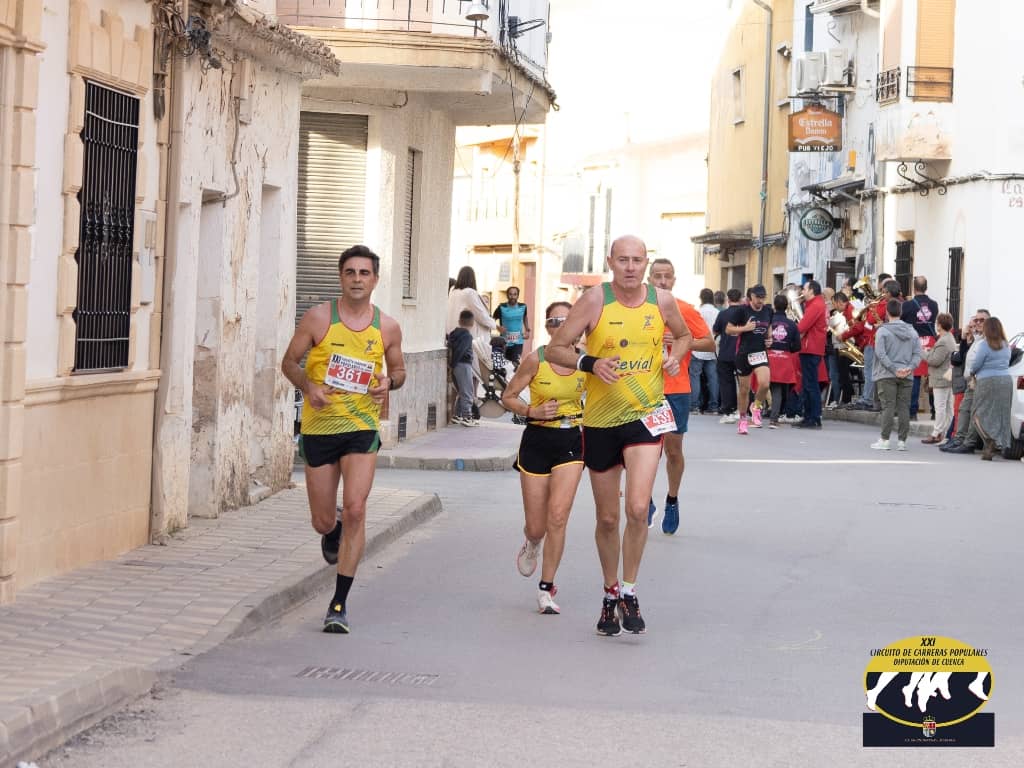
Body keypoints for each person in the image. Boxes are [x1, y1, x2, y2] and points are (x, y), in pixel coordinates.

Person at [546, 235, 692, 637]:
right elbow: (556, 349)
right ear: (610, 261)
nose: (630, 267)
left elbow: (683, 336)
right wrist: (590, 363)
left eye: (637, 260)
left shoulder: (662, 301)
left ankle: (630, 590)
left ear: (646, 263)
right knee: (608, 518)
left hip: (646, 416)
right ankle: (610, 593)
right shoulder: (595, 300)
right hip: (600, 421)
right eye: (623, 260)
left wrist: (675, 357)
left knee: (638, 508)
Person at [282, 245, 406, 633]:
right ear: (341, 277)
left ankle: (339, 603)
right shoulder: (318, 318)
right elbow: (289, 362)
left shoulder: (387, 327)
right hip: (320, 428)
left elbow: (399, 371)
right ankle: (332, 528)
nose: (357, 279)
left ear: (375, 280)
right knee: (323, 521)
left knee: (356, 508)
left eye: (364, 273)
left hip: (361, 428)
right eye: (350, 272)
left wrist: (388, 383)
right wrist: (308, 387)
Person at [501, 302, 586, 614]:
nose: (559, 325)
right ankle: (532, 542)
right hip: (537, 440)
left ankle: (546, 588)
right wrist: (531, 410)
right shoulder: (536, 359)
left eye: (566, 319)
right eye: (553, 320)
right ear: (548, 327)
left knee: (558, 517)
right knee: (537, 527)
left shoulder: (585, 361)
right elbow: (507, 397)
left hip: (571, 440)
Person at [647, 260, 715, 533]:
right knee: (644, 451)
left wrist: (681, 342)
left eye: (667, 276)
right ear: (649, 279)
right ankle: (644, 499)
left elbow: (709, 343)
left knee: (673, 451)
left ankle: (672, 500)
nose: (662, 281)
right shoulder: (638, 309)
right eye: (657, 276)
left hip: (675, 389)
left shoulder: (684, 309)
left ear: (674, 280)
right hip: (642, 391)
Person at [870, 298, 921, 451]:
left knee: (888, 407)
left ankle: (885, 440)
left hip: (886, 374)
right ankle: (902, 442)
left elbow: (880, 353)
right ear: (901, 312)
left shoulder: (882, 331)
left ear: (887, 312)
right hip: (907, 374)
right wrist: (909, 368)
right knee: (904, 407)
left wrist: (893, 369)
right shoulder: (912, 332)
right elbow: (917, 354)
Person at [943, 310, 991, 454]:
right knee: (963, 410)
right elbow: (963, 357)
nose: (978, 323)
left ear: (989, 322)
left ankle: (969, 443)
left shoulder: (989, 340)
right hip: (970, 380)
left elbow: (974, 361)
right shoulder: (977, 339)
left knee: (973, 413)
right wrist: (964, 338)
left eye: (982, 320)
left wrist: (975, 375)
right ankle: (959, 439)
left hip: (979, 381)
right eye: (976, 320)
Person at [966, 317, 1013, 461]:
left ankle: (990, 440)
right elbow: (1007, 361)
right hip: (1006, 381)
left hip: (987, 381)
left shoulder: (984, 345)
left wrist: (972, 372)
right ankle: (995, 443)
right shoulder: (1006, 344)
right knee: (1001, 414)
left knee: (977, 413)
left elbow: (976, 364)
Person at [727, 285, 772, 435]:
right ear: (751, 296)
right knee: (744, 390)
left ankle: (756, 407)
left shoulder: (768, 310)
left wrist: (770, 339)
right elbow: (728, 329)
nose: (760, 301)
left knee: (765, 383)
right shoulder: (742, 310)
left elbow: (769, 327)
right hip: (744, 354)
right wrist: (744, 328)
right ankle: (742, 419)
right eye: (758, 297)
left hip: (760, 352)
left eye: (763, 297)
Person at [901, 276, 940, 420]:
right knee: (933, 377)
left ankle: (912, 412)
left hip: (914, 342)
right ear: (926, 288)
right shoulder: (934, 305)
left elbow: (901, 322)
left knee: (915, 377)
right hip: (930, 342)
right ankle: (935, 411)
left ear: (914, 288)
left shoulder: (907, 305)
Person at [767, 293, 802, 428]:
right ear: (787, 307)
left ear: (774, 306)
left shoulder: (769, 322)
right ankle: (774, 418)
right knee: (781, 389)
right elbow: (797, 346)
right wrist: (787, 349)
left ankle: (758, 414)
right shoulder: (792, 324)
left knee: (767, 388)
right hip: (785, 359)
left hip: (769, 357)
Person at [796, 280, 827, 429]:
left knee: (810, 384)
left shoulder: (815, 305)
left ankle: (813, 417)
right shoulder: (817, 304)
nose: (802, 291)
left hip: (810, 347)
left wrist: (794, 328)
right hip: (812, 347)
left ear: (812, 291)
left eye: (804, 289)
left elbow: (802, 326)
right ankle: (809, 416)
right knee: (809, 384)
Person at [921, 313, 956, 444]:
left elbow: (934, 361)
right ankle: (947, 433)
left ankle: (937, 433)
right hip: (947, 378)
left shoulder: (943, 341)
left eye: (937, 323)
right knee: (948, 408)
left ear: (939, 325)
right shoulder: (949, 338)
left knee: (940, 407)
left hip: (940, 379)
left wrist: (922, 352)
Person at [713, 288, 744, 423]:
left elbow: (715, 331)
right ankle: (743, 411)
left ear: (728, 299)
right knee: (744, 383)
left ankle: (728, 411)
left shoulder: (723, 314)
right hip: (741, 352)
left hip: (725, 352)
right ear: (741, 299)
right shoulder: (745, 313)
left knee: (726, 382)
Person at [689, 288, 720, 415]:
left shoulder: (698, 312)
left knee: (695, 377)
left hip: (697, 348)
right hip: (712, 349)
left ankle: (694, 406)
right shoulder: (717, 312)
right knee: (713, 378)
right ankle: (714, 406)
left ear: (701, 298)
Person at [448, 310, 477, 427]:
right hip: (463, 364)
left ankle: (457, 415)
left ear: (459, 321)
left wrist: (452, 366)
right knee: (467, 391)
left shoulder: (453, 333)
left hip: (456, 365)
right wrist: (453, 365)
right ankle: (467, 417)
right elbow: (460, 351)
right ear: (472, 323)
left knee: (462, 391)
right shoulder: (467, 336)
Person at [493, 285, 532, 365]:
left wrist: (527, 330)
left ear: (518, 295)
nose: (512, 297)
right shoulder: (501, 307)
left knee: (515, 364)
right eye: (510, 294)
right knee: (504, 364)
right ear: (507, 295)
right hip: (504, 342)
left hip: (518, 342)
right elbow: (491, 319)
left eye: (515, 294)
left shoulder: (523, 307)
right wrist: (497, 327)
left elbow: (525, 317)